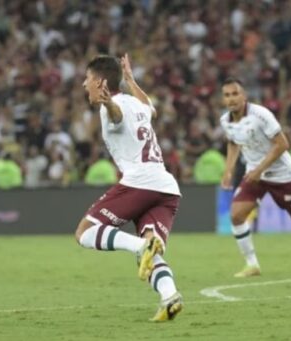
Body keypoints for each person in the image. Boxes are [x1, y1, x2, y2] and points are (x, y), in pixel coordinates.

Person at [74, 54, 183, 321]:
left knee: (85, 233)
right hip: (166, 188)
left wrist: (108, 102)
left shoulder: (112, 106)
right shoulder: (138, 103)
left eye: (87, 79)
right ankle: (170, 297)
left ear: (99, 82)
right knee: (151, 247)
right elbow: (152, 109)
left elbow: (117, 116)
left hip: (140, 182)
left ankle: (141, 247)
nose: (83, 85)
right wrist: (132, 81)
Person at [219, 78, 291, 278]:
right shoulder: (226, 121)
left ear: (244, 96)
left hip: (281, 174)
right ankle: (252, 264)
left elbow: (282, 144)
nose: (231, 99)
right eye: (227, 95)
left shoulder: (261, 115)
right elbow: (233, 143)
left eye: (235, 94)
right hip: (254, 173)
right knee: (236, 215)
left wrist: (260, 169)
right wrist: (228, 171)